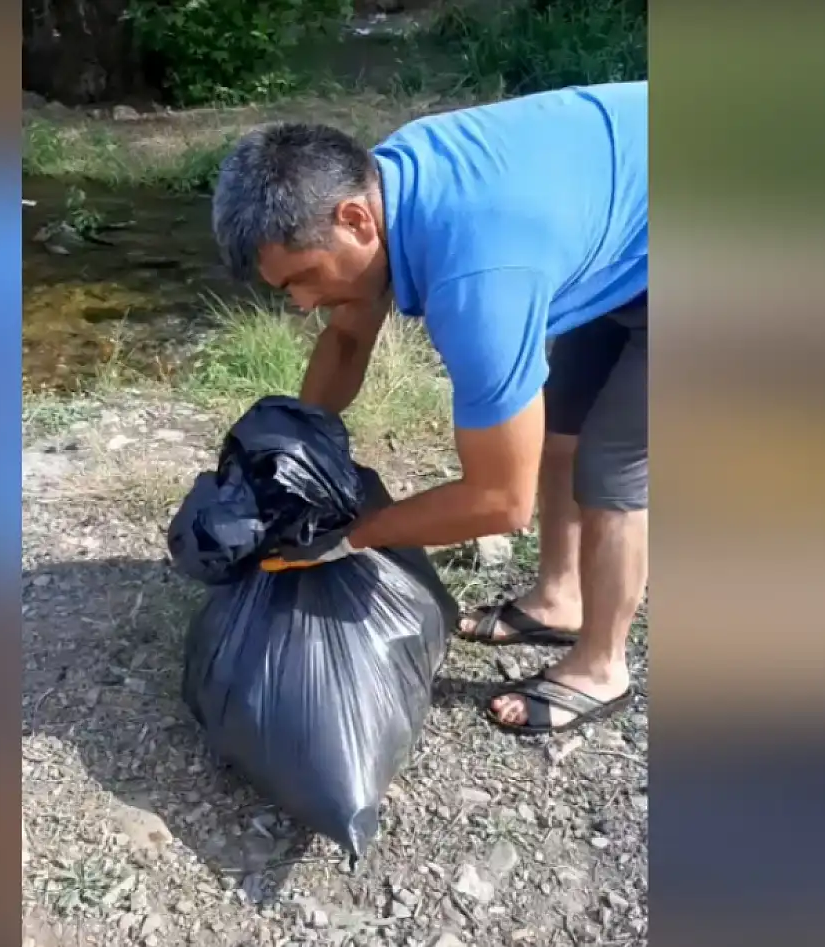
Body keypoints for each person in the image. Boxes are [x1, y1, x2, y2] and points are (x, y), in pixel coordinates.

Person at [209, 82, 647, 736]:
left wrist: (353, 535)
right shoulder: (383, 187)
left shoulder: (475, 283)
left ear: (356, 220)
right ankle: (561, 599)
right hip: (627, 218)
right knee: (560, 431)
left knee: (611, 467)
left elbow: (502, 501)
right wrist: (291, 455)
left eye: (300, 278)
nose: (300, 304)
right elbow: (349, 336)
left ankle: (602, 666)